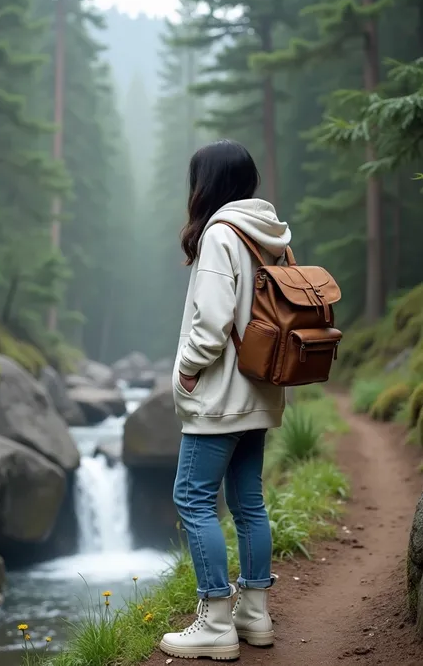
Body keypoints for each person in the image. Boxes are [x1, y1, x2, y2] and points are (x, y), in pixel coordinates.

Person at [160, 140, 292, 661]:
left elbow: (212, 324)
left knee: (192, 498)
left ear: (206, 183)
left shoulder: (220, 233)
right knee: (248, 501)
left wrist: (187, 371)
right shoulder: (270, 234)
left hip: (218, 397)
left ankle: (215, 618)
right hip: (260, 390)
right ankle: (254, 614)